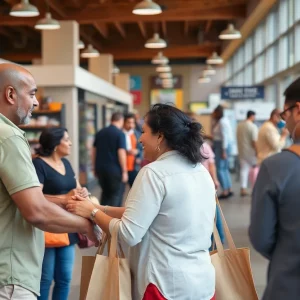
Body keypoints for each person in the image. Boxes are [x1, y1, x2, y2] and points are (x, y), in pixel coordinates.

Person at [68, 104, 216, 300]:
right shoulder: (200, 171)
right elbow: (154, 214)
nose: (139, 138)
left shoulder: (153, 173)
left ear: (160, 136)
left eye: (144, 131)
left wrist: (93, 214)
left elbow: (129, 234)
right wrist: (98, 207)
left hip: (163, 286)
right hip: (203, 283)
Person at [0, 63, 98, 300]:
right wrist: (86, 225)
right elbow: (36, 211)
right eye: (32, 94)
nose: (36, 103)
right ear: (11, 94)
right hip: (10, 274)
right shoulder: (9, 136)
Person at [249, 77, 300, 299]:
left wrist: (287, 253)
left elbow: (262, 237)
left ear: (298, 110)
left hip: (289, 284)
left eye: (285, 114)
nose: (284, 121)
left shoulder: (278, 167)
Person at [33, 128, 89, 300]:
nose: (70, 143)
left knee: (64, 278)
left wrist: (83, 192)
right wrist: (64, 199)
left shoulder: (66, 163)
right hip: (47, 227)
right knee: (45, 278)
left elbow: (76, 187)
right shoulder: (39, 164)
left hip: (68, 226)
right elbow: (34, 197)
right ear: (56, 144)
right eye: (67, 139)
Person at [92, 112, 127, 207]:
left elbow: (94, 151)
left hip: (101, 169)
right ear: (121, 120)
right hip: (115, 170)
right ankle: (112, 219)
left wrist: (94, 167)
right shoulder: (120, 134)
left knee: (105, 194)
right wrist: (124, 171)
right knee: (116, 195)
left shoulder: (100, 132)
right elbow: (121, 153)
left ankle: (100, 217)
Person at [211, 105, 234, 199]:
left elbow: (225, 137)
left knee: (220, 169)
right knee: (225, 168)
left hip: (221, 147)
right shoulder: (222, 121)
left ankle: (225, 191)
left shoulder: (222, 122)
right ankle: (229, 188)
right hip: (221, 146)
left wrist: (224, 151)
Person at [236, 110, 258, 196]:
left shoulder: (239, 125)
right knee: (254, 171)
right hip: (251, 153)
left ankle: (243, 189)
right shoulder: (252, 126)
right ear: (252, 116)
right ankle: (254, 189)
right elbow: (254, 141)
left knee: (244, 170)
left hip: (242, 151)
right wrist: (257, 151)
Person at [123, 113, 139, 187]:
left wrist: (138, 152)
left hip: (133, 167)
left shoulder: (137, 134)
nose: (131, 125)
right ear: (124, 122)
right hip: (121, 168)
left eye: (132, 122)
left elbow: (141, 149)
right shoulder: (120, 134)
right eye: (129, 122)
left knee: (134, 188)